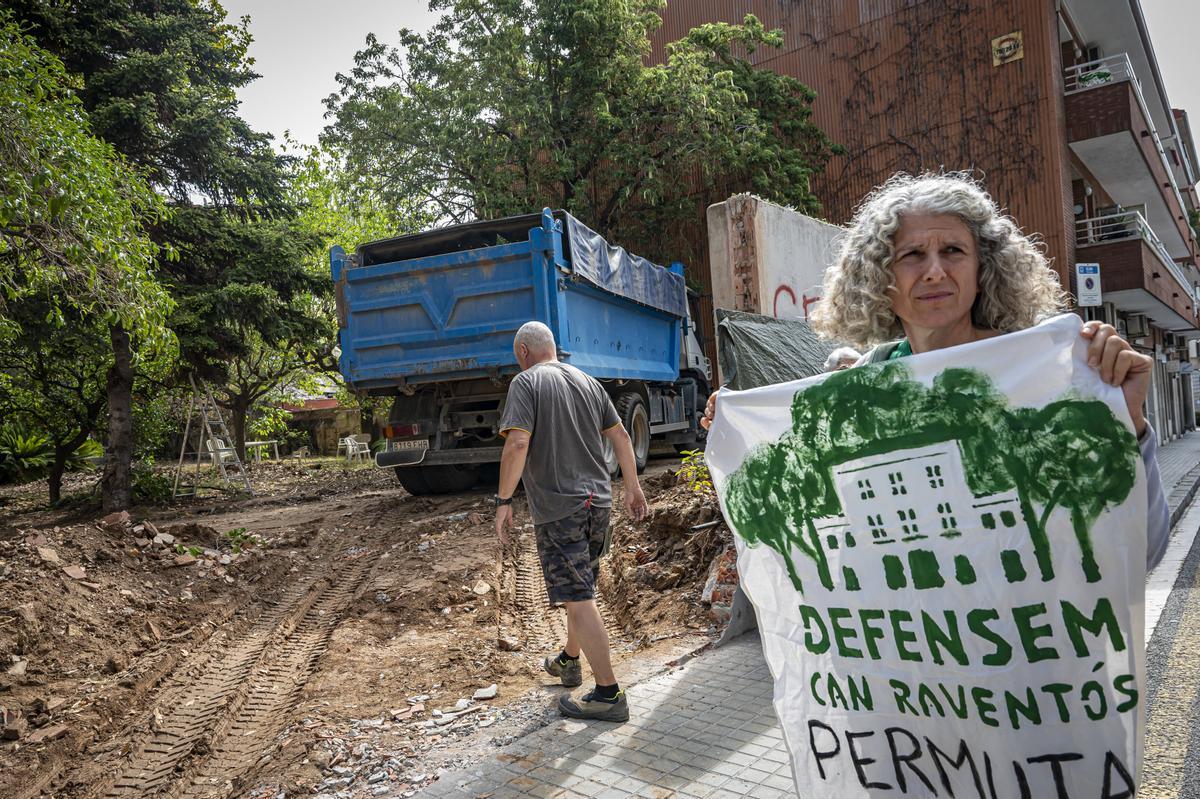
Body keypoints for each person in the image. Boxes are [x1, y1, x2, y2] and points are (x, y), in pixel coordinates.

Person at [704, 172, 1170, 570]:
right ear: (879, 279)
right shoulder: (860, 388)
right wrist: (739, 430)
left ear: (983, 267)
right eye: (911, 255)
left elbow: (1142, 553)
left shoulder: (1048, 371)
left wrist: (1129, 427)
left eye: (952, 251)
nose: (933, 272)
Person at [495, 321, 649, 723]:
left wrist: (504, 499)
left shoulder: (525, 384)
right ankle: (569, 659)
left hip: (560, 509)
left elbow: (517, 442)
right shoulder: (588, 381)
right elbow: (620, 437)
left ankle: (608, 694)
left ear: (524, 353)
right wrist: (632, 487)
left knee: (579, 599)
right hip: (597, 503)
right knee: (582, 588)